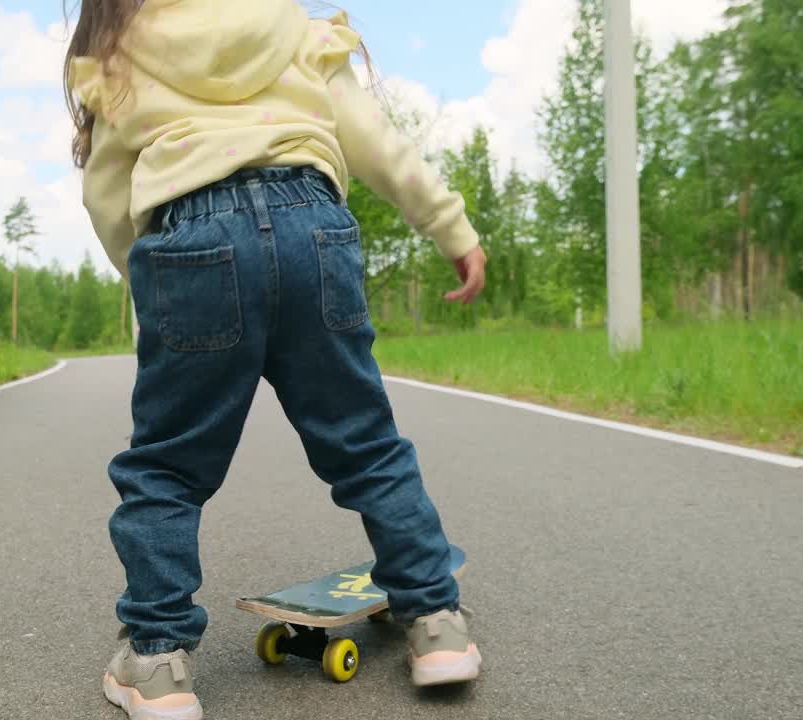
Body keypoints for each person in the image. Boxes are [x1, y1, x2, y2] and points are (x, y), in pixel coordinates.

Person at [65, 1, 487, 717]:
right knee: (366, 444)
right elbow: (376, 142)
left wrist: (152, 284)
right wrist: (451, 226)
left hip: (189, 237)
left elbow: (107, 194)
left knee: (168, 463)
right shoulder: (296, 28)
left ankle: (158, 662)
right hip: (313, 225)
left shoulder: (122, 46)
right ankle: (437, 626)